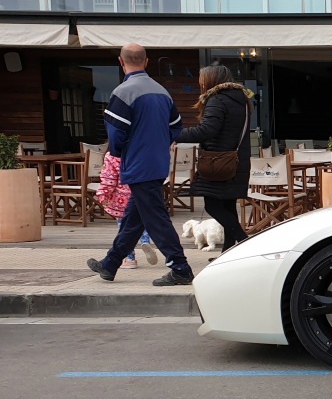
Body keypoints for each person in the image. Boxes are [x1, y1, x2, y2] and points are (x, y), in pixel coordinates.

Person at [87, 43, 193, 286]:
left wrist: (126, 151)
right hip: (157, 164)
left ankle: (180, 268)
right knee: (134, 218)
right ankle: (110, 263)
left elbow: (115, 137)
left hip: (137, 164)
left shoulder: (122, 93)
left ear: (121, 62)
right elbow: (176, 127)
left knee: (155, 218)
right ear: (146, 62)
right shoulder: (163, 92)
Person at [178, 65, 253, 255]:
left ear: (211, 81)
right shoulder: (240, 100)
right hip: (235, 162)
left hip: (218, 163)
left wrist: (173, 135)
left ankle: (245, 243)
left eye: (201, 79)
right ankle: (228, 253)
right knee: (228, 206)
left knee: (212, 205)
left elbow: (206, 130)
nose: (199, 83)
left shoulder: (217, 100)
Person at [96, 150, 158, 269]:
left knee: (124, 229)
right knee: (141, 223)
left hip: (120, 200)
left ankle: (130, 259)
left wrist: (103, 194)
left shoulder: (112, 155)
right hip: (140, 195)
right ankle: (146, 242)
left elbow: (108, 178)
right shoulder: (140, 152)